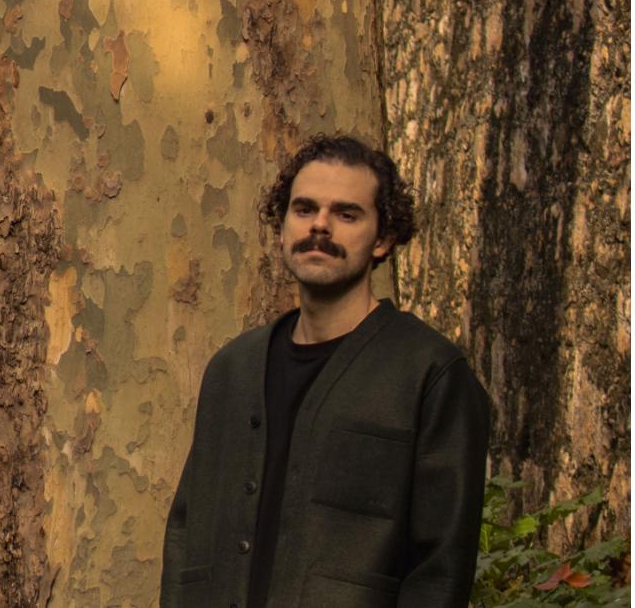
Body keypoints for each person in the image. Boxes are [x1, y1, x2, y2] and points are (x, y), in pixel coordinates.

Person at [159, 134, 491, 608]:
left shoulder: (429, 373)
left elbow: (440, 569)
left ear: (384, 239)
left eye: (346, 214)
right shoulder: (232, 369)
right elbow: (186, 531)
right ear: (282, 226)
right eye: (304, 209)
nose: (320, 225)